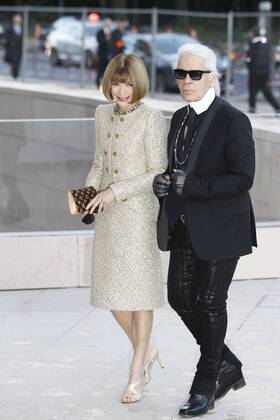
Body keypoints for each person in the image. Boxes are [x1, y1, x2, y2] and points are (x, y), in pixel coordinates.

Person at [153, 43, 257, 417]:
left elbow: (243, 179)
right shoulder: (179, 117)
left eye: (195, 74)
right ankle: (226, 362)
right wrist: (162, 184)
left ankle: (207, 379)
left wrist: (188, 185)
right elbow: (176, 168)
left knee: (211, 303)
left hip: (223, 227)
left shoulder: (233, 119)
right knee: (180, 297)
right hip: (183, 223)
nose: (186, 81)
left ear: (214, 76)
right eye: (181, 74)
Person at [84, 53, 167, 403]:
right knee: (111, 294)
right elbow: (99, 161)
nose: (122, 91)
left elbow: (157, 171)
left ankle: (136, 374)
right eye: (117, 83)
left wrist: (113, 192)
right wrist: (87, 196)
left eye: (129, 84)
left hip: (137, 215)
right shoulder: (102, 114)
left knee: (139, 295)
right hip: (107, 216)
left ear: (139, 85)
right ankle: (145, 351)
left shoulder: (152, 118)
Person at [246, 28, 280, 113]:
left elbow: (249, 58)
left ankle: (252, 108)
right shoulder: (267, 43)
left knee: (253, 91)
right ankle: (277, 107)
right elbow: (271, 58)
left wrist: (249, 67)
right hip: (265, 72)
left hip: (254, 72)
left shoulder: (252, 43)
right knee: (267, 91)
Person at [4, 14, 23, 79]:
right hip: (12, 47)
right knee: (14, 61)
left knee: (18, 61)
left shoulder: (22, 28)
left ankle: (15, 74)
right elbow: (7, 36)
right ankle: (14, 75)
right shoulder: (10, 27)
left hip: (19, 47)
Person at [96, 18, 113, 87]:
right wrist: (106, 38)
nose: (109, 25)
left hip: (109, 54)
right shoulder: (100, 32)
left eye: (110, 24)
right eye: (107, 23)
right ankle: (98, 83)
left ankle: (106, 84)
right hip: (102, 54)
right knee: (100, 69)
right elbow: (100, 41)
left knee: (108, 70)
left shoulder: (111, 32)